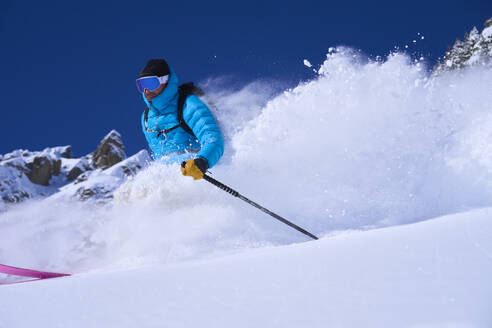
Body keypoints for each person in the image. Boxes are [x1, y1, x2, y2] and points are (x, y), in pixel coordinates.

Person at [136, 59, 224, 180]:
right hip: (167, 180)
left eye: (151, 83)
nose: (146, 90)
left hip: (195, 174)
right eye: (141, 85)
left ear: (165, 81)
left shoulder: (188, 104)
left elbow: (214, 139)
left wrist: (202, 161)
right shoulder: (146, 118)